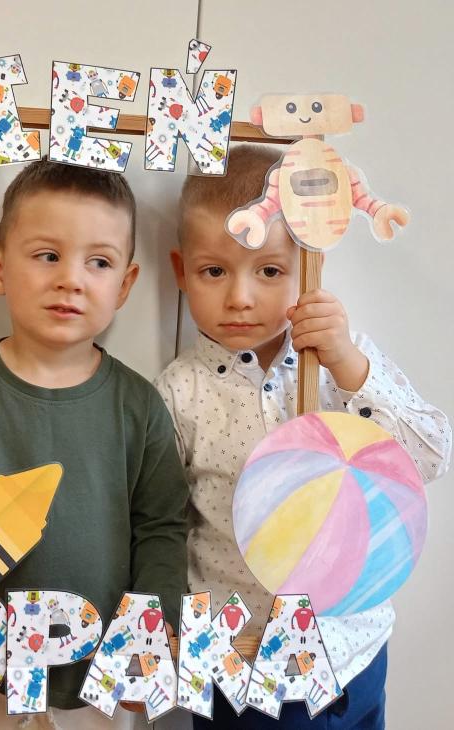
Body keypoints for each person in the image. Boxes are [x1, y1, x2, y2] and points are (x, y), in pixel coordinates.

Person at [156, 144, 452, 728]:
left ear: (310, 268)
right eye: (214, 271)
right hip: (248, 664)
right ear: (181, 272)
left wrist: (349, 367)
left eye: (269, 271)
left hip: (355, 650)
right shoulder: (179, 393)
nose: (240, 297)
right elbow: (160, 523)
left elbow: (431, 456)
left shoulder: (345, 360)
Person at [0, 158, 189, 729]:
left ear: (125, 284)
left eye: (98, 262)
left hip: (98, 675)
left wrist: (154, 624)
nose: (71, 279)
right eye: (48, 255)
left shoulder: (139, 405)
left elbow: (160, 527)